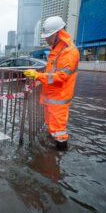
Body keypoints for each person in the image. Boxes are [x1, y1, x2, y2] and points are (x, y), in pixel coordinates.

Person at [24, 16, 80, 150]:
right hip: (51, 98)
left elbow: (61, 77)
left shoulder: (69, 51)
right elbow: (51, 73)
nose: (46, 39)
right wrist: (38, 78)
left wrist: (38, 75)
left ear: (56, 34)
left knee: (59, 133)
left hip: (58, 99)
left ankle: (58, 158)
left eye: (48, 36)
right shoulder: (57, 49)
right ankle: (51, 156)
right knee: (52, 128)